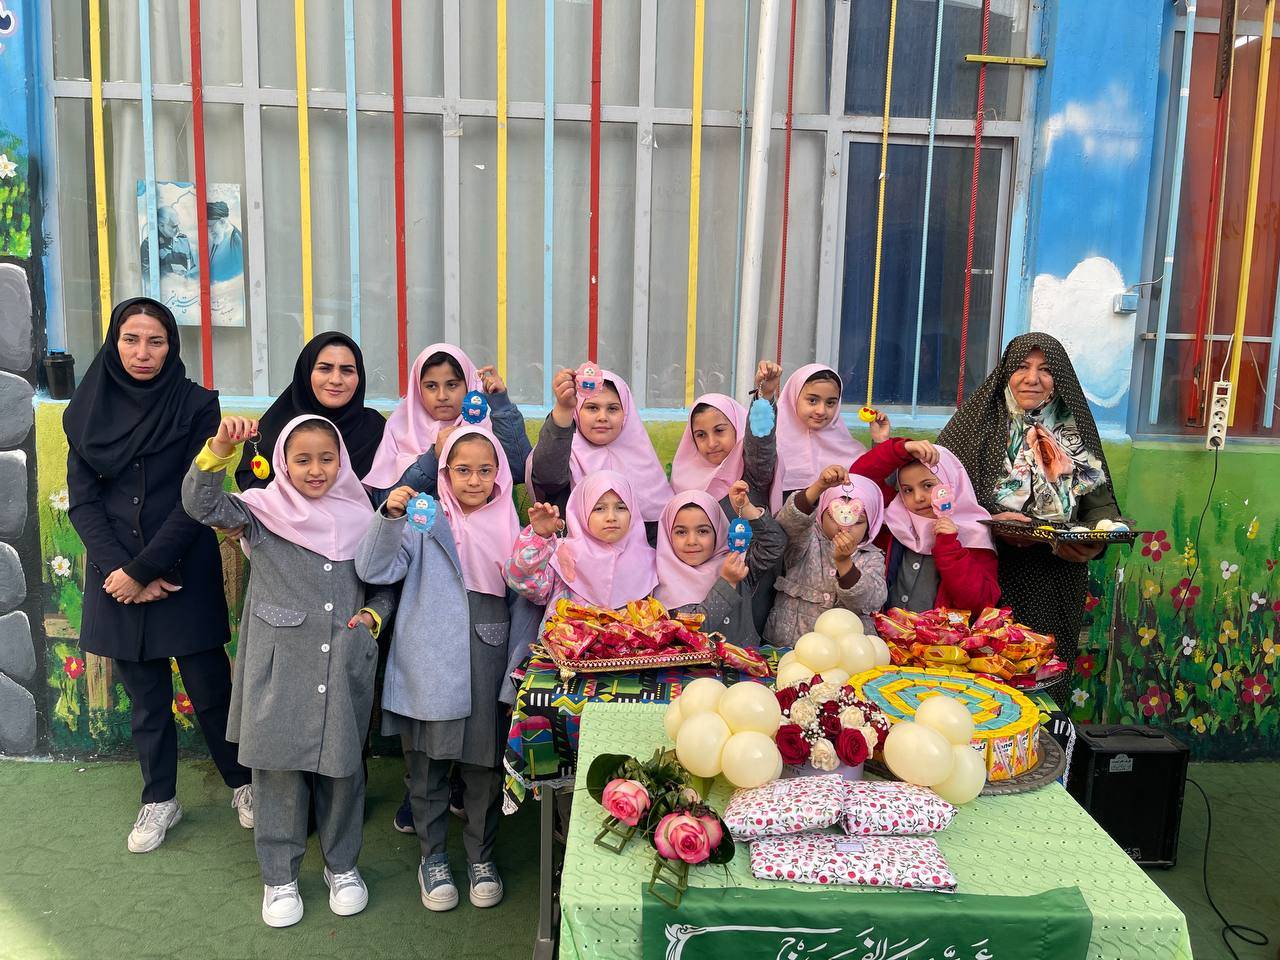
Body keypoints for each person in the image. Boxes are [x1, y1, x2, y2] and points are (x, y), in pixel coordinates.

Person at [182, 414, 395, 928]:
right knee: (277, 774)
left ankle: (342, 867)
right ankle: (279, 877)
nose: (315, 470)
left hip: (342, 663)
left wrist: (372, 617)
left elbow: (385, 581)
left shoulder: (364, 516)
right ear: (282, 462)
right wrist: (219, 447)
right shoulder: (261, 512)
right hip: (279, 668)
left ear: (342, 461)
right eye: (302, 460)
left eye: (326, 458)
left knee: (343, 770)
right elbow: (200, 504)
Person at [63, 296, 252, 855]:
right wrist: (122, 572)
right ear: (114, 343)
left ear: (172, 347)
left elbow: (199, 498)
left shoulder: (196, 405)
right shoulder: (87, 408)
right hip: (116, 575)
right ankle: (160, 798)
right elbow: (84, 502)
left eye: (156, 341)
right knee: (145, 698)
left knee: (211, 689)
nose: (142, 352)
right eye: (131, 339)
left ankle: (243, 783)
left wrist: (145, 569)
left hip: (181, 566)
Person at [356, 426, 520, 913]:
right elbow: (373, 570)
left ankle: (481, 857)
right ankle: (433, 858)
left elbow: (525, 595)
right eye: (462, 469)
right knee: (426, 764)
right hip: (428, 657)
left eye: (485, 470)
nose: (474, 480)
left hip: (487, 653)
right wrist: (389, 517)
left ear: (500, 474)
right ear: (444, 473)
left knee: (483, 765)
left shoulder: (510, 523)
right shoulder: (422, 519)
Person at [938, 332, 1122, 699]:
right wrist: (990, 520)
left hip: (1054, 582)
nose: (1032, 378)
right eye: (1022, 367)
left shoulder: (1074, 432)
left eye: (1046, 369)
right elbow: (938, 494)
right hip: (985, 576)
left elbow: (1100, 508)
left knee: (1042, 684)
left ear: (1060, 379)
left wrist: (1093, 543)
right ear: (1007, 372)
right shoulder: (977, 424)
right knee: (978, 685)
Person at [362, 344, 530, 503]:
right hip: (420, 525)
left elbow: (518, 471)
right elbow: (383, 500)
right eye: (431, 386)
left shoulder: (485, 424)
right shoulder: (400, 427)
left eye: (452, 385)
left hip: (483, 523)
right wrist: (433, 457)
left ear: (468, 385)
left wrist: (501, 404)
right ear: (418, 389)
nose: (442, 396)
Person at [851, 438, 1001, 612]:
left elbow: (981, 603)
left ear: (952, 483)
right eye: (908, 490)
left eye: (928, 485)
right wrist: (902, 449)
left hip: (941, 630)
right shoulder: (894, 518)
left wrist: (950, 548)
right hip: (886, 627)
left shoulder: (974, 534)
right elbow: (859, 479)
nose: (918, 498)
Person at [528, 368, 671, 543]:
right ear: (577, 411)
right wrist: (564, 409)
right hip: (575, 556)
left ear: (626, 413)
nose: (602, 417)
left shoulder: (643, 458)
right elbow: (548, 479)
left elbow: (657, 529)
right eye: (592, 408)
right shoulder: (564, 450)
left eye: (612, 409)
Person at [235, 332, 386, 492]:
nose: (336, 380)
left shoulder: (377, 429)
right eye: (324, 369)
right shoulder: (272, 429)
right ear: (306, 372)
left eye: (347, 370)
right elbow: (254, 486)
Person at [506, 471, 658, 619]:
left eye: (621, 508)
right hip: (564, 636)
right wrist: (539, 536)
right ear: (581, 510)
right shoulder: (560, 554)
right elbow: (522, 582)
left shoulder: (650, 562)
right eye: (599, 508)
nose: (611, 517)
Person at [766, 468, 888, 645]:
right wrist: (819, 486)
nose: (844, 526)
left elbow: (869, 601)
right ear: (821, 512)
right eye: (833, 516)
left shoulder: (873, 557)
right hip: (790, 644)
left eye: (857, 521)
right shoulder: (805, 537)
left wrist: (844, 563)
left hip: (844, 651)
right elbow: (788, 522)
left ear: (871, 525)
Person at [654, 485, 785, 646]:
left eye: (702, 531)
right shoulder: (661, 579)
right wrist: (728, 582)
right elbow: (694, 631)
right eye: (681, 532)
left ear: (718, 531)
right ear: (668, 534)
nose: (691, 541)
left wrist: (747, 509)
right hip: (697, 663)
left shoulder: (735, 564)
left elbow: (775, 544)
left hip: (746, 661)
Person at [767, 364, 867, 513]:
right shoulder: (769, 444)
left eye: (830, 403)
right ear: (793, 397)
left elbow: (875, 490)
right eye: (812, 400)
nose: (821, 411)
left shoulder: (852, 450)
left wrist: (881, 440)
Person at [669, 379, 775, 517]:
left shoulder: (753, 472)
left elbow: (760, 444)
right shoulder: (682, 480)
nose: (711, 443)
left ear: (737, 427)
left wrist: (764, 397)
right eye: (701, 435)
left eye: (719, 430)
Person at [140, 205, 194, 282]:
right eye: (173, 226)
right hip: (165, 287)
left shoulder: (183, 240)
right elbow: (146, 276)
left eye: (177, 225)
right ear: (161, 225)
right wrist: (168, 273)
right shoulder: (149, 245)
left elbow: (191, 268)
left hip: (186, 287)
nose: (178, 230)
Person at [206, 200, 244, 283]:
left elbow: (240, 273)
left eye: (210, 226)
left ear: (222, 221)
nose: (209, 231)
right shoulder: (219, 237)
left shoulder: (238, 241)